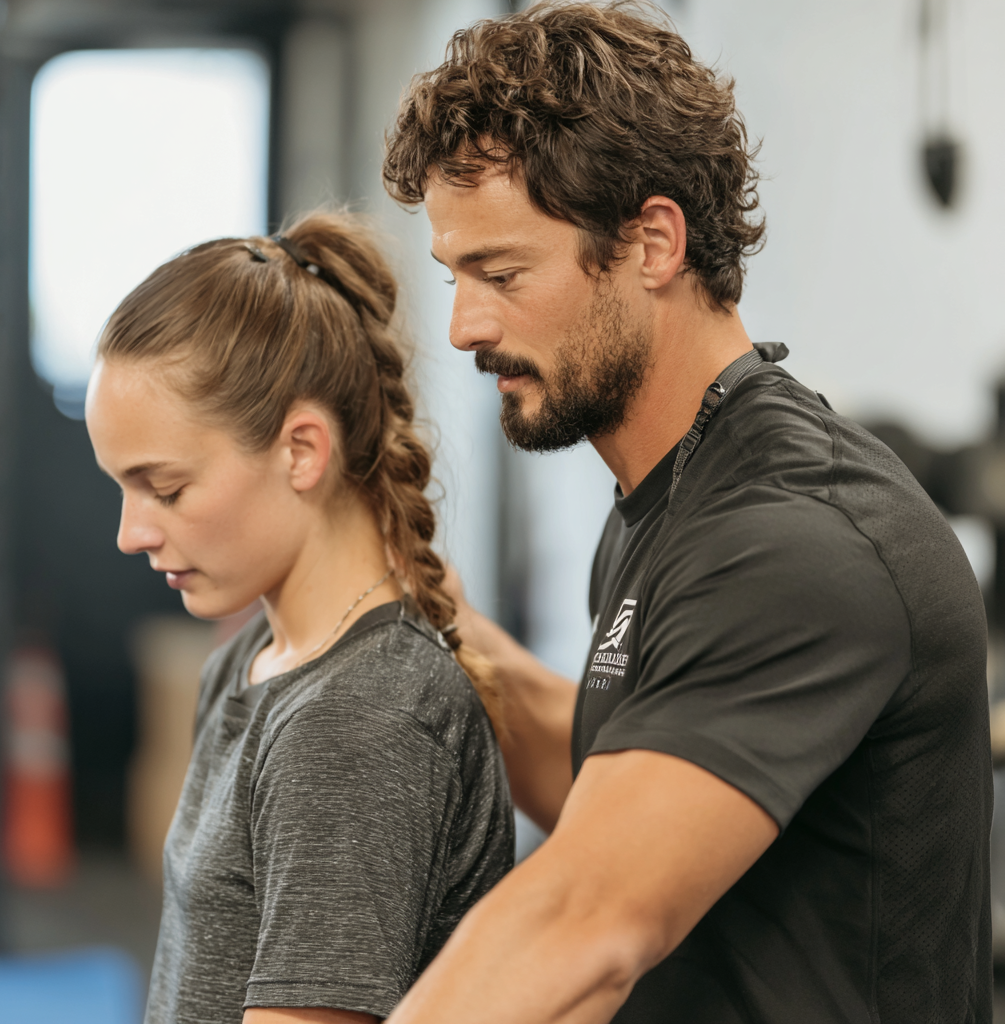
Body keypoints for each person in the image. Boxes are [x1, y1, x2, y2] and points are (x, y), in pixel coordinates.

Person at [379, 3, 992, 1022]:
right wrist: (386, 587)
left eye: (500, 273)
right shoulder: (666, 497)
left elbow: (583, 916)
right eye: (454, 276)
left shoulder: (794, 538)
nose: (462, 326)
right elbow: (610, 787)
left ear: (652, 243)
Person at [84, 212, 514, 1024]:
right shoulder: (253, 659)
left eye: (166, 489)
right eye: (123, 490)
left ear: (301, 451)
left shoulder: (359, 720)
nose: (131, 533)